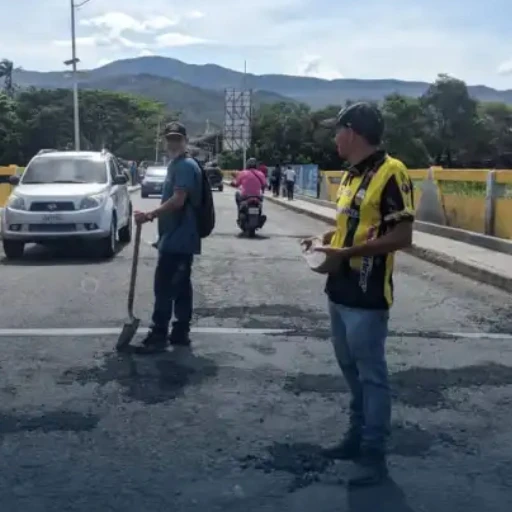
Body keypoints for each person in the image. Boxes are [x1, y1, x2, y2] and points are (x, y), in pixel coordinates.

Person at [301, 102, 414, 486]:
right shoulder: (350, 177)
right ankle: (355, 437)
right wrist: (322, 240)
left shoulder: (392, 172)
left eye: (338, 130)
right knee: (351, 370)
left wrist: (347, 253)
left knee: (372, 376)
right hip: (339, 288)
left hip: (367, 293)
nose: (334, 137)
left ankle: (372, 453)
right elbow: (349, 228)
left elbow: (402, 236)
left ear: (353, 132)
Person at [133, 122, 202, 354]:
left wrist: (150, 214)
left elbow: (179, 200)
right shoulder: (179, 164)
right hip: (177, 237)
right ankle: (180, 332)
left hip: (179, 239)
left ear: (185, 141)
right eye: (170, 139)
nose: (173, 143)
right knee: (181, 285)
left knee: (164, 286)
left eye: (177, 139)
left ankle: (159, 332)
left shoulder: (183, 166)